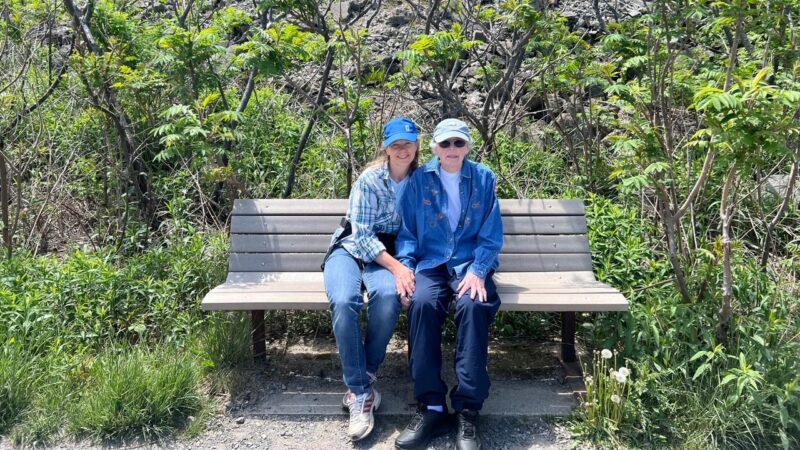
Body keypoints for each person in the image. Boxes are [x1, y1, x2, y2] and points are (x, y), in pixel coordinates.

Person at [393, 118, 503, 450]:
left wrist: (479, 270)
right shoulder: (418, 181)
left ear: (468, 146)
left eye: (458, 143)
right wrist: (406, 269)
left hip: (470, 264)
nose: (452, 150)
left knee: (473, 304)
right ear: (434, 148)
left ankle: (468, 410)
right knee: (422, 303)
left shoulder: (484, 179)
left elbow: (491, 234)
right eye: (445, 144)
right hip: (431, 262)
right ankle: (432, 406)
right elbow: (408, 234)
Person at [322, 117, 419, 441]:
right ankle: (361, 394)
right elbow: (362, 237)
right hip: (350, 248)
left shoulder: (422, 181)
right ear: (386, 147)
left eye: (408, 143)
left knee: (389, 297)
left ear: (417, 145)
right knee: (345, 300)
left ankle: (364, 376)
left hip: (388, 256)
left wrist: (406, 269)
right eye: (396, 144)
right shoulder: (370, 180)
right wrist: (399, 269)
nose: (402, 149)